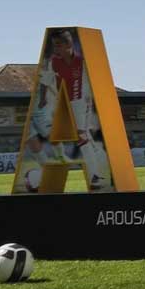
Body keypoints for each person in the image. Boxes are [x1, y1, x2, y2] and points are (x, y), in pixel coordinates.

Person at [48, 29, 111, 190]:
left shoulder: (82, 61)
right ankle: (102, 166)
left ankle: (95, 175)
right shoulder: (54, 61)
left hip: (80, 102)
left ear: (68, 44)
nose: (55, 49)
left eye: (58, 45)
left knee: (82, 137)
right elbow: (51, 81)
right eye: (53, 45)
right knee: (85, 138)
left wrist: (88, 102)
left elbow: (88, 84)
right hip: (63, 104)